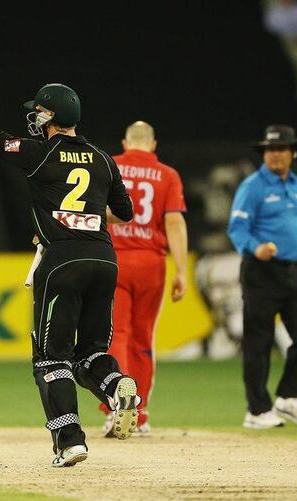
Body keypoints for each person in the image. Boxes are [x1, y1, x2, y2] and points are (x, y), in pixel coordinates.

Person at [0, 42, 139, 467]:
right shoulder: (103, 159)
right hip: (104, 258)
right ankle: (116, 383)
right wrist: (83, 215)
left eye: (39, 112)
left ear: (48, 116)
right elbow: (124, 214)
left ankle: (70, 441)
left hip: (61, 260)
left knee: (51, 357)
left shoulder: (40, 153)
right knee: (90, 354)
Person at [97, 121, 188, 436]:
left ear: (125, 142)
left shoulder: (109, 164)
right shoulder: (168, 175)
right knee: (142, 337)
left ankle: (116, 406)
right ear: (153, 145)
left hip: (114, 258)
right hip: (151, 263)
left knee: (116, 334)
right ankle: (141, 411)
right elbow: (174, 223)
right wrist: (181, 270)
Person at [227, 125, 297, 429]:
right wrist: (256, 249)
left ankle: (288, 396)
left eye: (280, 149)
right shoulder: (252, 186)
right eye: (269, 149)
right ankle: (256, 410)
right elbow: (237, 229)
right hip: (260, 272)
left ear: (293, 153)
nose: (274, 154)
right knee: (259, 342)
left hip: (294, 273)